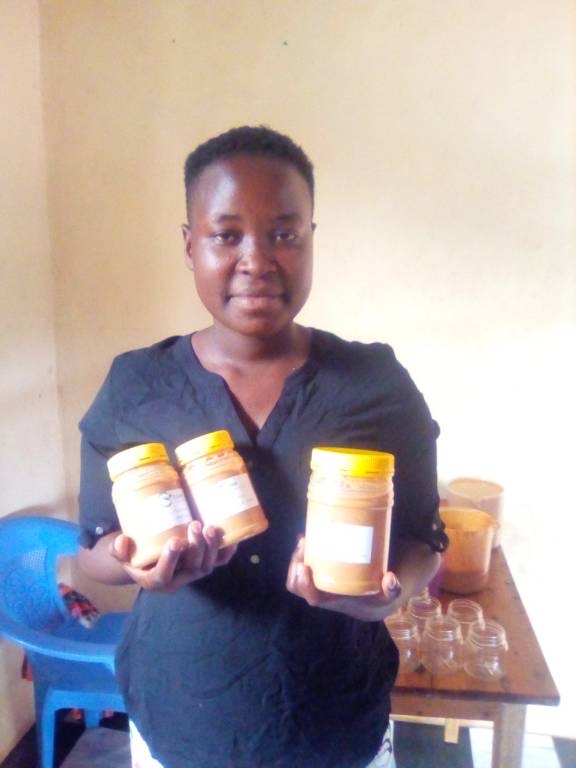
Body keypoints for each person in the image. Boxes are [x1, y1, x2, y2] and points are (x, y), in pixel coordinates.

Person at [77, 126, 448, 768]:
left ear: (311, 240)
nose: (257, 260)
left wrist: (390, 595)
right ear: (190, 246)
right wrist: (132, 562)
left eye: (284, 234)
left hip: (334, 723)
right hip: (183, 722)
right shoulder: (137, 385)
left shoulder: (375, 384)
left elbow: (422, 537)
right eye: (226, 236)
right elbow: (93, 550)